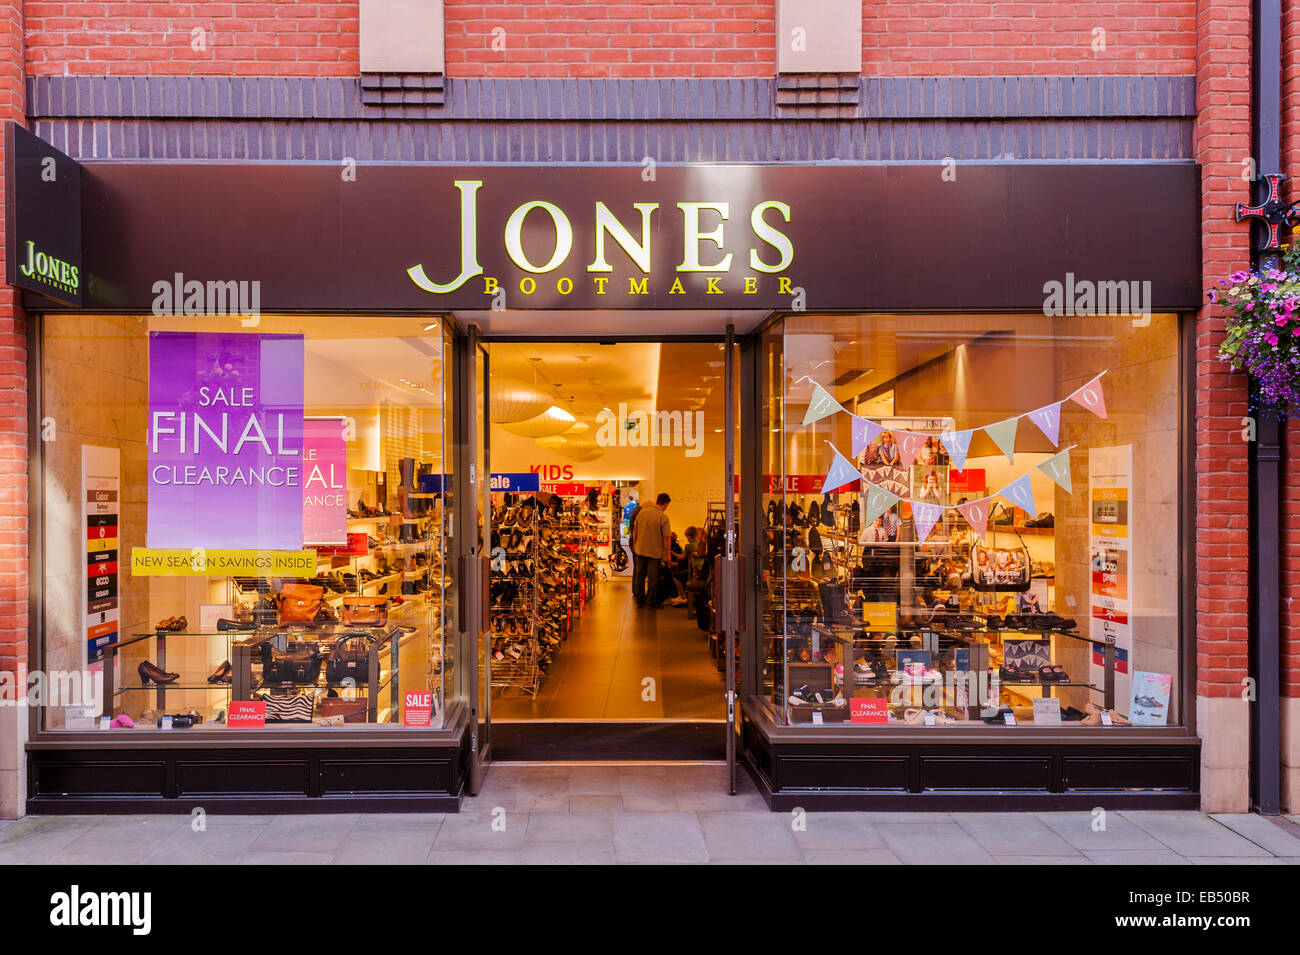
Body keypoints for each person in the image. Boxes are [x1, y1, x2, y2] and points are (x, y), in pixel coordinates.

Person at [631, 492, 673, 609]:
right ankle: (651, 602)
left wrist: (635, 544)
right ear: (665, 504)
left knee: (640, 576)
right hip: (654, 552)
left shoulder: (642, 512)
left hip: (640, 550)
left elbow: (635, 529)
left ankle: (640, 601)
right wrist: (668, 555)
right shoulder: (663, 517)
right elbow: (666, 538)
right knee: (652, 578)